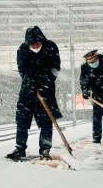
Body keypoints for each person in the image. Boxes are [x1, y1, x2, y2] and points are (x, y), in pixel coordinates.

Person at [6, 26, 62, 161]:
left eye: (38, 43)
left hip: (46, 90)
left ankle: (45, 150)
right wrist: (31, 82)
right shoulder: (22, 50)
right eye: (32, 44)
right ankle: (20, 148)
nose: (35, 46)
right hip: (28, 91)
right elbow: (22, 69)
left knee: (46, 121)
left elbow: (55, 67)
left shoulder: (51, 47)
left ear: (42, 40)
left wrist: (45, 82)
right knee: (22, 121)